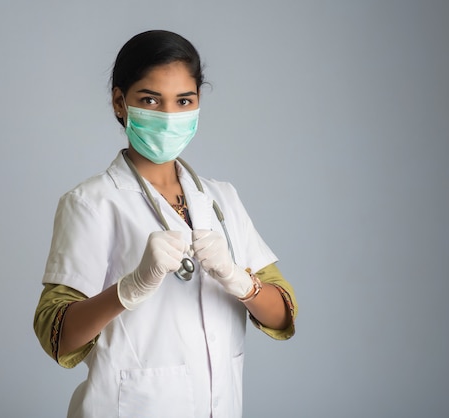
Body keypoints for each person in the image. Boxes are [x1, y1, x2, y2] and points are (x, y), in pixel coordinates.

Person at [33, 29, 297, 418]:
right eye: (150, 100)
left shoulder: (221, 198)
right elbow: (57, 335)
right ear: (120, 102)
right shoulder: (90, 203)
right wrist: (130, 288)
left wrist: (239, 280)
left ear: (198, 103)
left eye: (183, 101)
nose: (168, 116)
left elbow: (282, 315)